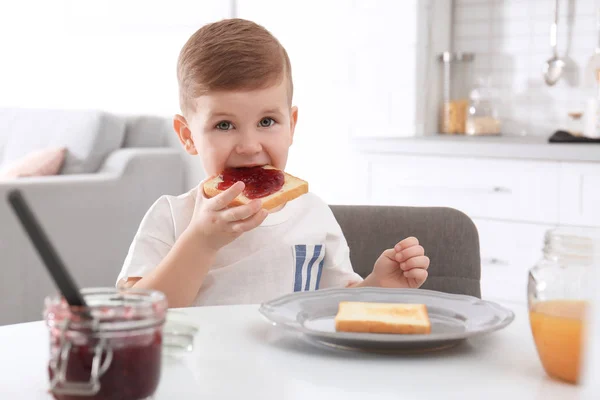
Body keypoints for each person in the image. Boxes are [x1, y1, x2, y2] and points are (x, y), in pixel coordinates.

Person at [116, 18, 430, 308]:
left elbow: (334, 310)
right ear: (187, 136)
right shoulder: (171, 216)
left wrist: (379, 286)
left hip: (293, 369)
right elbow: (136, 313)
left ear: (292, 125)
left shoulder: (313, 215)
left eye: (267, 121)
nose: (250, 146)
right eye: (224, 125)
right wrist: (200, 242)